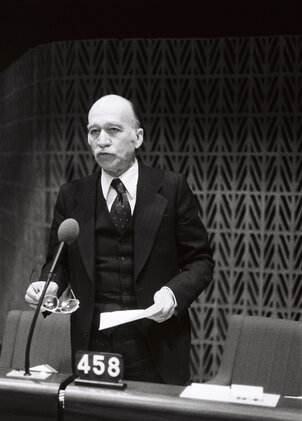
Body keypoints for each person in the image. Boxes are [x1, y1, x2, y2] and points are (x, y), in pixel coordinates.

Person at [25, 94, 214, 384]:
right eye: (94, 131)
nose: (102, 140)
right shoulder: (72, 195)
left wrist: (173, 295)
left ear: (137, 137)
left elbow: (200, 261)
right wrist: (49, 286)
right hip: (92, 340)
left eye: (113, 130)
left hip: (155, 339)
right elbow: (59, 261)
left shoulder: (172, 188)